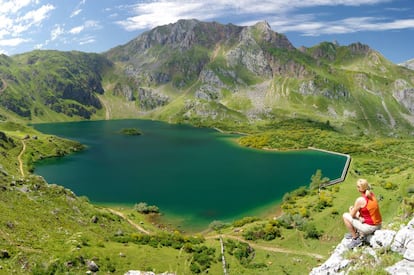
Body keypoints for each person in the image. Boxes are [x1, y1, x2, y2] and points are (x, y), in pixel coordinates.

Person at [342, 178, 382, 249]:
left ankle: (355, 239)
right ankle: (356, 233)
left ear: (360, 189)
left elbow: (352, 215)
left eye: (358, 186)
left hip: (370, 228)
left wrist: (354, 212)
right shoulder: (371, 194)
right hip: (378, 225)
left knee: (345, 216)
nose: (357, 188)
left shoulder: (360, 200)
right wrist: (359, 217)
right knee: (354, 210)